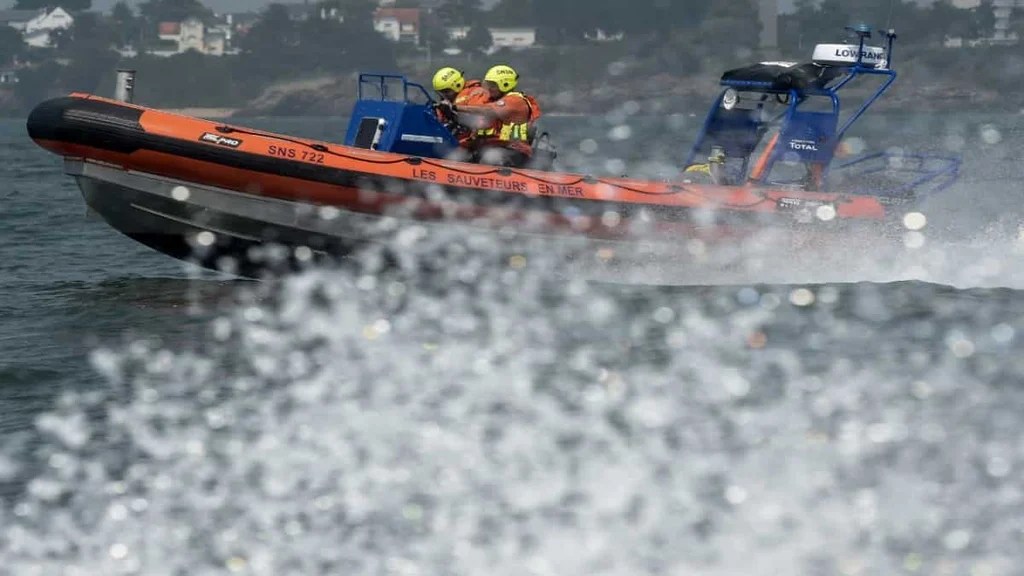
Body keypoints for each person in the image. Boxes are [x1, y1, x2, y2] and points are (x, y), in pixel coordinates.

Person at [451, 64, 542, 168]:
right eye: (488, 84)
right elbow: (471, 108)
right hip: (486, 147)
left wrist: (455, 108)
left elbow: (488, 111)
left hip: (512, 149)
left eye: (493, 85)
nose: (489, 88)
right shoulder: (488, 100)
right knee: (456, 156)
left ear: (505, 84)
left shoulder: (516, 101)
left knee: (491, 157)